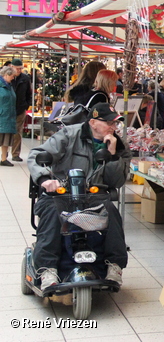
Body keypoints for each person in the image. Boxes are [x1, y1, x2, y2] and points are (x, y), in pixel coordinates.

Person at [27, 103, 131, 290]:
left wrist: (113, 155)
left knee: (111, 211)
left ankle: (114, 266)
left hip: (92, 196)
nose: (113, 127)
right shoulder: (69, 135)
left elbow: (116, 182)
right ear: (92, 122)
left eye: (115, 124)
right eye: (108, 122)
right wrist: (44, 178)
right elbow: (36, 155)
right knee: (52, 212)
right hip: (61, 193)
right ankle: (47, 269)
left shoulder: (119, 145)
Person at [10, 58, 32, 162]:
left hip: (20, 108)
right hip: (7, 109)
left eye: (20, 68)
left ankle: (15, 154)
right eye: (17, 68)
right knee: (5, 132)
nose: (19, 70)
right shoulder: (7, 77)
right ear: (12, 67)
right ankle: (4, 153)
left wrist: (26, 105)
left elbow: (29, 93)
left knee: (17, 132)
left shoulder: (25, 78)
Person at [0, 66, 17, 166]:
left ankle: (3, 159)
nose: (13, 78)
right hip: (2, 115)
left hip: (9, 116)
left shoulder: (9, 85)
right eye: (12, 76)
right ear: (6, 75)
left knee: (6, 138)